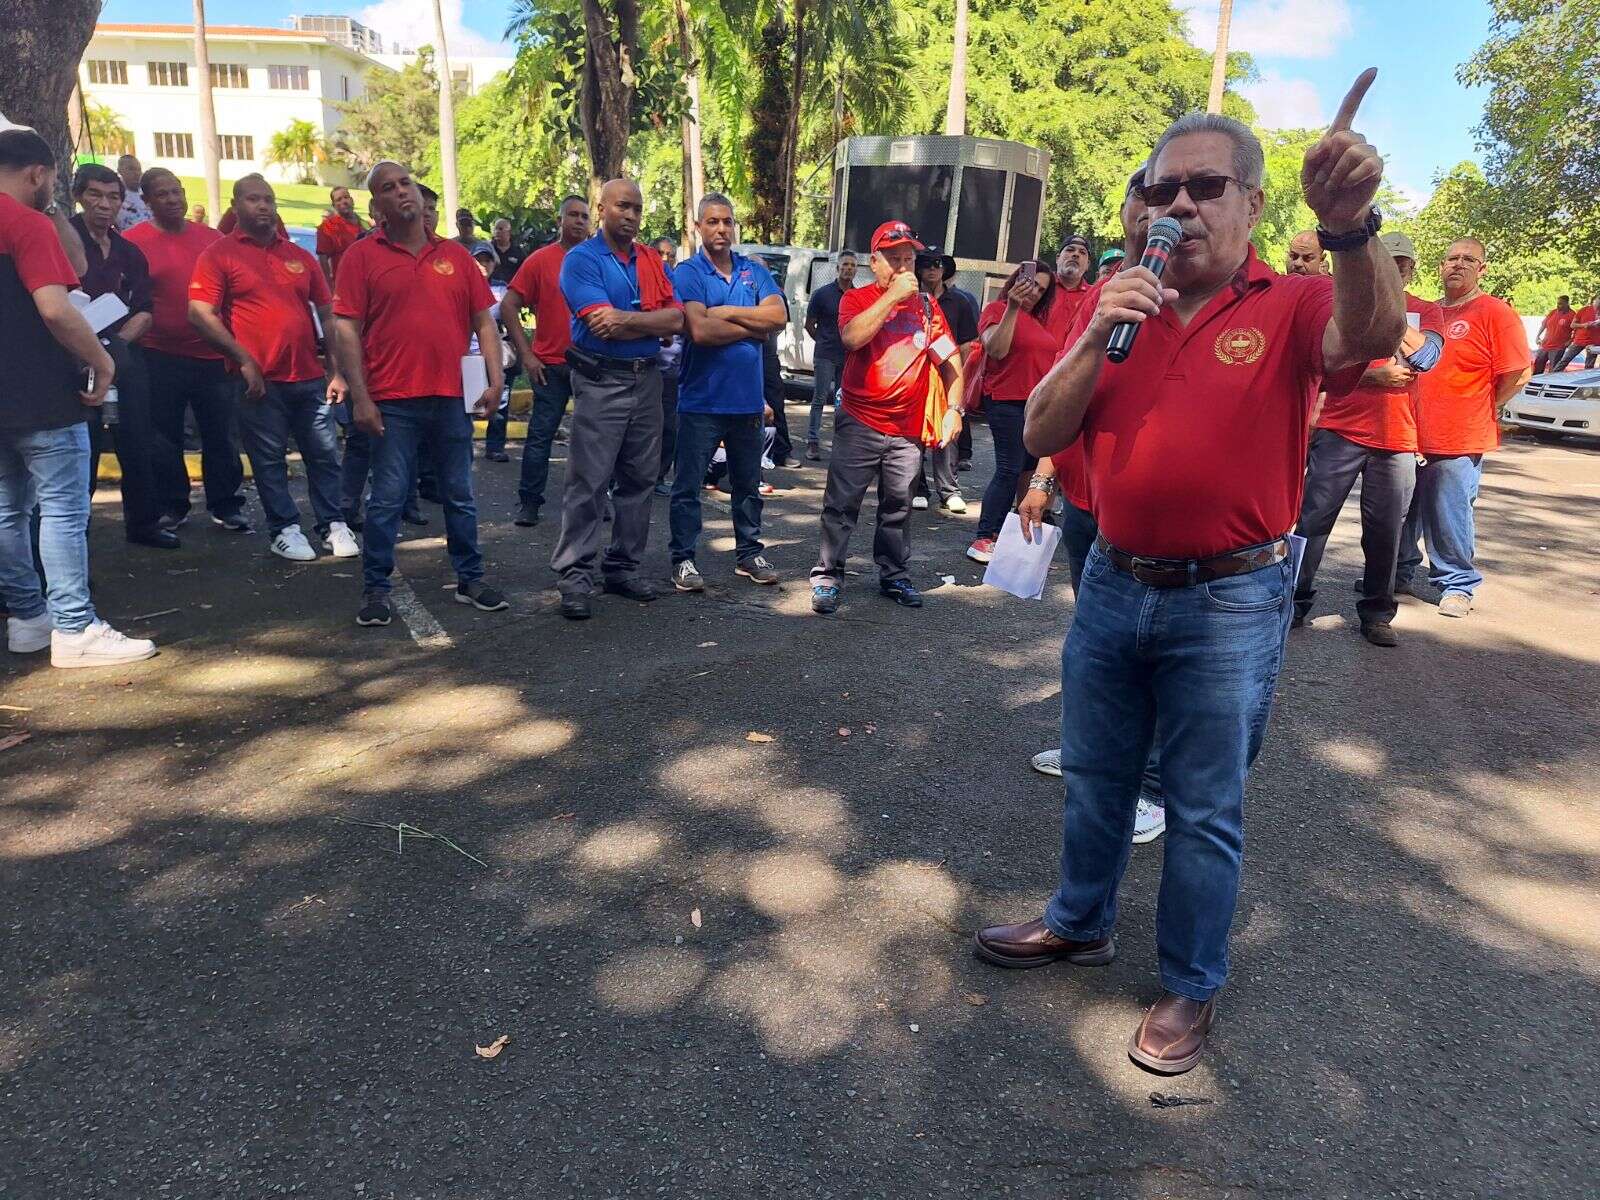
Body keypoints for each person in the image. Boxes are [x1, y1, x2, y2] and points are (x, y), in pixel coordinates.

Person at [976, 78, 1406, 1075]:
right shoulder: (1109, 302)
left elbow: (1373, 337)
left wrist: (1348, 229)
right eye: (1161, 189)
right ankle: (1078, 920)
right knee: (1093, 776)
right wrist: (1091, 331)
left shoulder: (1293, 300)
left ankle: (1190, 985)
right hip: (1113, 583)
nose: (1178, 206)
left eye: (1205, 187)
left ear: (1252, 206)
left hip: (1230, 597)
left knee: (1204, 804)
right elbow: (1040, 430)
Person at [1021, 160, 1167, 848]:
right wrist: (1044, 480)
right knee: (1096, 643)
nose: (1155, 211)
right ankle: (1091, 754)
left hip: (1147, 518)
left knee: (1157, 654)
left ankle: (1152, 786)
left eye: (1170, 199)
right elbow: (1064, 393)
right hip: (1084, 503)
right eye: (1145, 196)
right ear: (1126, 211)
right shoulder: (1101, 292)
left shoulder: (1192, 295)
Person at [0, 128, 155, 667]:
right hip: (42, 392)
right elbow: (56, 306)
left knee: (6, 511)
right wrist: (102, 359)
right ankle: (74, 626)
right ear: (39, 174)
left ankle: (27, 619)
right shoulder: (24, 222)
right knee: (62, 512)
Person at [331, 161, 510, 627]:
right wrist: (361, 397)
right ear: (377, 206)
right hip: (391, 400)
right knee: (388, 498)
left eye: (405, 183)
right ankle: (375, 589)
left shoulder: (454, 256)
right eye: (388, 188)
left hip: (450, 397)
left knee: (460, 494)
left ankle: (470, 579)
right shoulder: (361, 257)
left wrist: (495, 380)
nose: (401, 193)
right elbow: (345, 328)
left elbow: (484, 322)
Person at [188, 174, 358, 563]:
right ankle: (284, 529)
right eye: (253, 199)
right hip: (257, 382)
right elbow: (199, 313)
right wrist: (243, 358)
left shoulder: (299, 256)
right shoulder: (218, 255)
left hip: (309, 377)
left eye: (268, 199)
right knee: (268, 460)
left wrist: (336, 370)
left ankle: (333, 524)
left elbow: (327, 312)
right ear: (235, 205)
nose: (263, 206)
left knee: (325, 454)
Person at [1292, 230, 1444, 646]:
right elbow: (1320, 365)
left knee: (1384, 532)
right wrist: (1371, 374)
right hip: (1340, 429)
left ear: (1411, 269)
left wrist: (1386, 317)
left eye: (1401, 265)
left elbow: (1427, 357)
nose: (1394, 272)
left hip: (1397, 438)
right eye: (1386, 264)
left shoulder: (1427, 311)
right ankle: (1293, 601)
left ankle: (1377, 613)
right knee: (1312, 520)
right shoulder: (1346, 302)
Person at [810, 220, 964, 614]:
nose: (903, 267)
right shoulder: (857, 299)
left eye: (908, 259)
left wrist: (953, 409)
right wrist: (892, 297)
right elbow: (852, 338)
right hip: (860, 421)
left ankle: (894, 575)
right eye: (893, 259)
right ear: (874, 263)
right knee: (842, 504)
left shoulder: (928, 307)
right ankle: (828, 575)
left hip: (906, 428)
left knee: (898, 506)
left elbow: (951, 360)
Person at [550, 178, 683, 621]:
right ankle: (575, 577)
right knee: (588, 482)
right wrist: (648, 321)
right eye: (622, 206)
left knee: (640, 480)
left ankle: (623, 568)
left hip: (647, 381)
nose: (631, 215)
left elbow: (676, 318)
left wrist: (629, 319)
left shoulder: (649, 259)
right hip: (601, 380)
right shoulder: (581, 261)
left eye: (637, 209)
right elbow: (600, 325)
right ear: (601, 208)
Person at [1396, 238, 1531, 618]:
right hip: (1410, 432)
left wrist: (1483, 406)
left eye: (1468, 259)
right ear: (1440, 266)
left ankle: (1457, 584)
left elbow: (1519, 373)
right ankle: (1399, 572)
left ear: (1482, 269)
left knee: (1448, 513)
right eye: (1452, 259)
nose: (1458, 265)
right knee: (1404, 510)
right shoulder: (1427, 312)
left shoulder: (1495, 312)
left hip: (1459, 435)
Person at [668, 194, 786, 592]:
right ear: (698, 227)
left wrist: (720, 312)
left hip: (747, 402)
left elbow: (779, 317)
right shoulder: (688, 273)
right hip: (701, 401)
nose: (721, 229)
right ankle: (683, 558)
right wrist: (754, 326)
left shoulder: (753, 273)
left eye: (727, 222)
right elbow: (699, 331)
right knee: (688, 487)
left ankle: (749, 553)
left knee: (748, 485)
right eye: (713, 221)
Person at [125, 169, 251, 533]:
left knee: (222, 435)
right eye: (162, 194)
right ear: (146, 201)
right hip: (159, 354)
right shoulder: (135, 242)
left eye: (177, 191)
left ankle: (227, 505)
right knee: (164, 437)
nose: (173, 199)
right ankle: (172, 506)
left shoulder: (211, 239)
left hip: (212, 355)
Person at [68, 163, 180, 551]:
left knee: (138, 442)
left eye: (113, 197)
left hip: (122, 358)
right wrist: (89, 351)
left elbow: (144, 310)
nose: (104, 205)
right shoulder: (64, 241)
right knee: (83, 452)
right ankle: (74, 542)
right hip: (72, 362)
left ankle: (144, 525)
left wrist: (114, 349)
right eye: (95, 195)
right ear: (78, 196)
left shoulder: (129, 252)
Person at [965, 261, 1067, 564]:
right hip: (1006, 401)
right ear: (1015, 280)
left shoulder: (1039, 322)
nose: (1033, 291)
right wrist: (1011, 306)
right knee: (1009, 469)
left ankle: (1016, 537)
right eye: (1030, 282)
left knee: (1028, 471)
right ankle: (984, 536)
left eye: (1041, 289)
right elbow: (995, 349)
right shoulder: (996, 311)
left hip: (1037, 405)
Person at [503, 194, 590, 528]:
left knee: (593, 441)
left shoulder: (599, 259)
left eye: (584, 216)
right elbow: (509, 305)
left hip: (590, 365)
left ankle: (593, 501)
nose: (579, 221)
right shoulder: (540, 261)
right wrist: (526, 354)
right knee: (541, 436)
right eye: (572, 215)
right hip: (550, 366)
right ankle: (529, 503)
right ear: (560, 221)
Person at [910, 247, 976, 513]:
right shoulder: (910, 300)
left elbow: (966, 344)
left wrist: (960, 377)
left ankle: (949, 491)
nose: (933, 269)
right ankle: (917, 489)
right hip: (914, 374)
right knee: (914, 431)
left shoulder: (959, 301)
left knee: (947, 429)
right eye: (927, 264)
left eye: (938, 264)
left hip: (947, 373)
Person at [804, 250, 856, 461]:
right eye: (845, 265)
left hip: (848, 357)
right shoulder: (822, 294)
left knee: (843, 401)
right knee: (819, 398)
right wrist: (824, 341)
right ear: (837, 268)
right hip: (825, 354)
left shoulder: (857, 296)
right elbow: (809, 325)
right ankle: (812, 442)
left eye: (852, 265)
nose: (848, 269)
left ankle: (841, 444)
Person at [652, 234, 683, 489]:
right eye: (661, 254)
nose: (666, 259)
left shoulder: (678, 284)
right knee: (641, 429)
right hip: (648, 367)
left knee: (670, 428)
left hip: (673, 372)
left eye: (670, 255)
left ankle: (660, 476)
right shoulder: (645, 280)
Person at [315, 185, 366, 286]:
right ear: (334, 205)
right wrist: (329, 287)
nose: (344, 201)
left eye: (346, 197)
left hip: (366, 283)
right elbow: (323, 258)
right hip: (343, 286)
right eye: (339, 200)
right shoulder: (328, 227)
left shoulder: (366, 225)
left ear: (352, 200)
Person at [1532, 295, 1575, 375]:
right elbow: (1544, 324)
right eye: (1558, 303)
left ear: (1567, 303)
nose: (1558, 306)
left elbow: (1576, 331)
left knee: (1553, 370)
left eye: (1561, 304)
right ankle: (1535, 384)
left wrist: (1570, 341)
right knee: (1538, 366)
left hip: (1558, 347)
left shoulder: (1572, 315)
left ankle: (1550, 386)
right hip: (1545, 344)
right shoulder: (1553, 312)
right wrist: (1538, 336)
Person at [1557, 293, 1600, 370]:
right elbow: (1572, 325)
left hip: (1593, 343)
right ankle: (1553, 378)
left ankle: (1586, 381)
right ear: (1594, 301)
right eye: (1598, 299)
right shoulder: (1584, 310)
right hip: (1579, 341)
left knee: (1589, 366)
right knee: (1564, 360)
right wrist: (1584, 325)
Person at [115, 154, 151, 232]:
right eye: (131, 169)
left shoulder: (149, 195)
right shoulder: (115, 197)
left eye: (139, 169)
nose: (137, 173)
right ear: (119, 170)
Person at [488, 218, 526, 286]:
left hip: (510, 291)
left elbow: (523, 274)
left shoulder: (518, 252)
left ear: (509, 232)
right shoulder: (487, 249)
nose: (497, 232)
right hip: (490, 289)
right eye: (495, 229)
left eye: (500, 229)